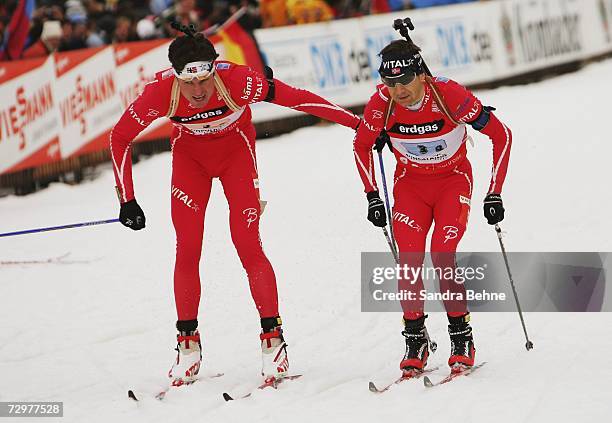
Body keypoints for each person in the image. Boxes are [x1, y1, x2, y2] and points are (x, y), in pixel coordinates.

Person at [110, 26, 360, 387]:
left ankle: (273, 341)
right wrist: (127, 199)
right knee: (188, 248)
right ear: (176, 77)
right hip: (190, 163)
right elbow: (120, 137)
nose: (198, 91)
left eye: (205, 80)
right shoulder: (159, 93)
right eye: (189, 83)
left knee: (247, 243)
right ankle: (187, 345)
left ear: (215, 69)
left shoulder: (240, 82)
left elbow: (299, 99)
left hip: (236, 157)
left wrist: (358, 123)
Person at [353, 40, 511, 374]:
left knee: (441, 255)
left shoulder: (447, 95)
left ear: (421, 75)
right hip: (410, 186)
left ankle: (461, 335)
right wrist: (372, 195)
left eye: (405, 81)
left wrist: (494, 192)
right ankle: (415, 339)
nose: (398, 90)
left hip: (452, 182)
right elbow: (360, 147)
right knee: (408, 264)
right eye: (389, 83)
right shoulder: (381, 104)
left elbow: (501, 135)